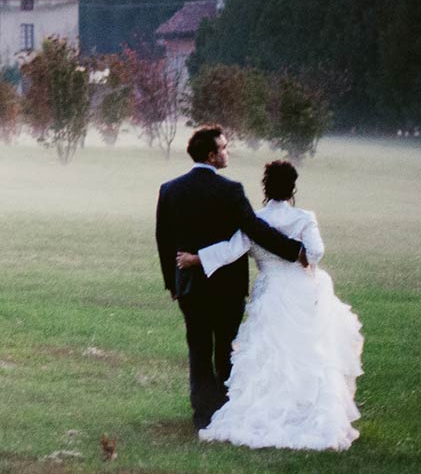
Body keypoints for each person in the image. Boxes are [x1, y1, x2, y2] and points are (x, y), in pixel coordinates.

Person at [177, 159, 363, 451]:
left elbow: (230, 250)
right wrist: (300, 256)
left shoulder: (255, 220)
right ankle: (305, 411)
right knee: (306, 352)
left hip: (271, 290)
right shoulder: (304, 217)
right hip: (301, 291)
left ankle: (263, 410)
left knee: (270, 353)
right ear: (293, 188)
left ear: (265, 187)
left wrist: (195, 258)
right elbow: (315, 252)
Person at [154, 125, 308, 430]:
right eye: (224, 148)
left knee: (198, 349)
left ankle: (202, 415)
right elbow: (255, 230)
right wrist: (295, 250)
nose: (227, 152)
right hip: (227, 287)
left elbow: (164, 240)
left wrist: (172, 283)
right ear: (212, 155)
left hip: (190, 285)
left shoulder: (170, 189)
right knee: (226, 350)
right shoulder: (231, 190)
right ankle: (225, 410)